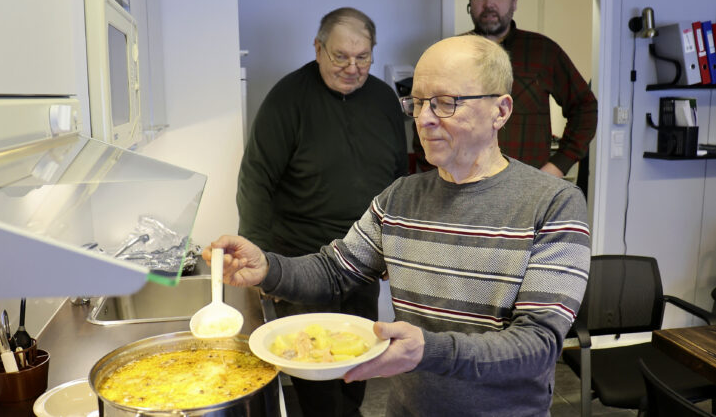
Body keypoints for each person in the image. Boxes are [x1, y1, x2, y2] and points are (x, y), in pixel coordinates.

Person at [210, 35, 591, 416]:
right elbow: (334, 271)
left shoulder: (554, 204)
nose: (423, 119)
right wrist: (267, 268)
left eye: (445, 103)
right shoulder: (399, 198)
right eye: (419, 102)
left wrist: (430, 350)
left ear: (500, 110)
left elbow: (537, 343)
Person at [236, 7, 408, 417]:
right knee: (316, 368)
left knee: (360, 356)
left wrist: (394, 248)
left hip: (362, 256)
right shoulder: (288, 97)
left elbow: (400, 179)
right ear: (318, 49)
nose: (352, 67)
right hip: (301, 259)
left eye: (362, 56)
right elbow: (255, 179)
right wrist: (260, 258)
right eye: (340, 56)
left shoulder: (384, 99)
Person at [414, 0, 598, 179]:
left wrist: (559, 165)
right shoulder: (449, 55)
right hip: (459, 187)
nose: (489, 4)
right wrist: (435, 176)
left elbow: (585, 108)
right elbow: (425, 112)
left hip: (527, 187)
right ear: (470, 2)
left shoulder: (544, 52)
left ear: (514, 1)